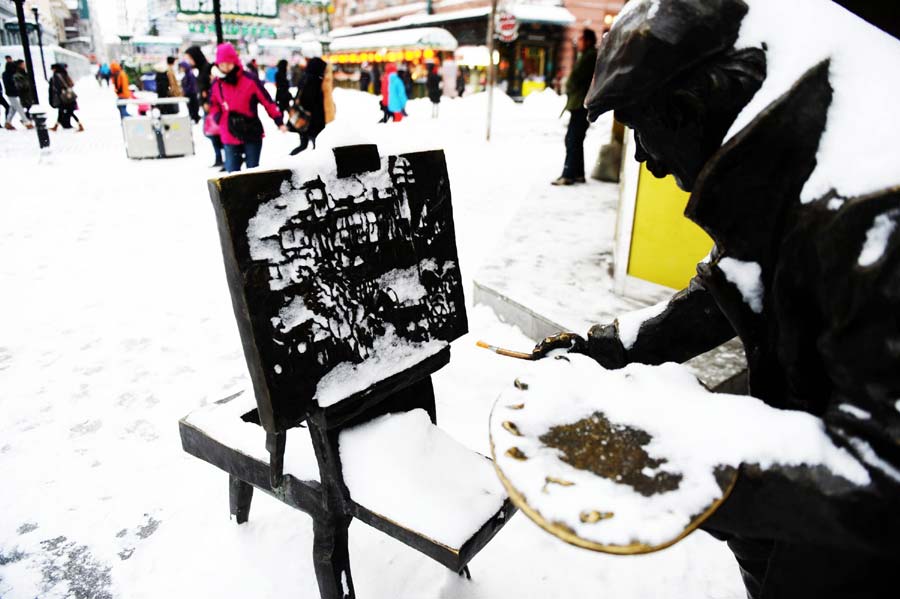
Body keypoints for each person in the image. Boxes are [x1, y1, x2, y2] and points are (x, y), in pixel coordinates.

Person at [534, 1, 900, 597]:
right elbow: (735, 280)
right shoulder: (799, 146)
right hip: (804, 545)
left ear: (686, 109)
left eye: (640, 132)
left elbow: (883, 470)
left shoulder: (871, 204)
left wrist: (679, 463)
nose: (646, 162)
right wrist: (610, 349)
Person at [207, 43, 285, 173]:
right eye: (222, 64)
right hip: (228, 132)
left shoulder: (249, 79)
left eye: (229, 63)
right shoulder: (217, 83)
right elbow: (213, 104)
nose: (225, 67)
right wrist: (218, 117)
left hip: (251, 130)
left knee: (253, 173)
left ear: (235, 62)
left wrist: (278, 120)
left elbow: (267, 101)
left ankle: (253, 193)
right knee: (232, 174)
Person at [551, 28, 597, 186]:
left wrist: (569, 85)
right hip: (580, 103)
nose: (579, 42)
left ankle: (569, 174)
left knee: (572, 140)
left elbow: (574, 79)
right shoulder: (586, 55)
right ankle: (577, 173)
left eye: (582, 39)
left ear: (589, 40)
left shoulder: (589, 56)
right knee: (575, 140)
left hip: (580, 104)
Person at [288, 56, 334, 156]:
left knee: (304, 145)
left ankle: (289, 160)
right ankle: (313, 166)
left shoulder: (305, 76)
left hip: (305, 118)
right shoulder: (315, 80)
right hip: (313, 120)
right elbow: (310, 99)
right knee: (317, 145)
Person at [185, 46, 223, 168]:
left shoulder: (208, 68)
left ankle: (227, 156)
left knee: (214, 133)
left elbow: (214, 86)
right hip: (207, 106)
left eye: (189, 58)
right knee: (211, 132)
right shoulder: (200, 70)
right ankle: (221, 157)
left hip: (212, 106)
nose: (188, 62)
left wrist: (207, 99)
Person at [48, 63, 83, 132]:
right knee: (62, 112)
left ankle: (80, 125)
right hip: (68, 96)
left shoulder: (56, 76)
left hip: (63, 97)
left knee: (67, 111)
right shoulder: (64, 74)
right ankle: (56, 126)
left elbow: (57, 87)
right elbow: (71, 84)